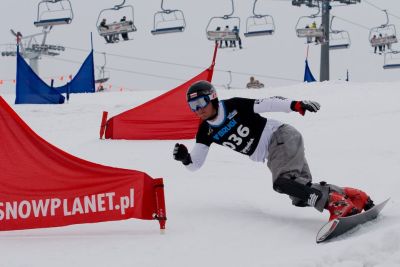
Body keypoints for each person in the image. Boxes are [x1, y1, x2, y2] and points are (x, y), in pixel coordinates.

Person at [173, 81, 375, 222]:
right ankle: (352, 196)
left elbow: (267, 103)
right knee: (299, 195)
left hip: (279, 137)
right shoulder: (205, 131)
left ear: (213, 98)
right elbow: (195, 164)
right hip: (275, 152)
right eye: (192, 106)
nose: (198, 109)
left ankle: (336, 205)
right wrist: (185, 159)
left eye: (201, 103)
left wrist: (295, 105)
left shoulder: (234, 105)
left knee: (282, 183)